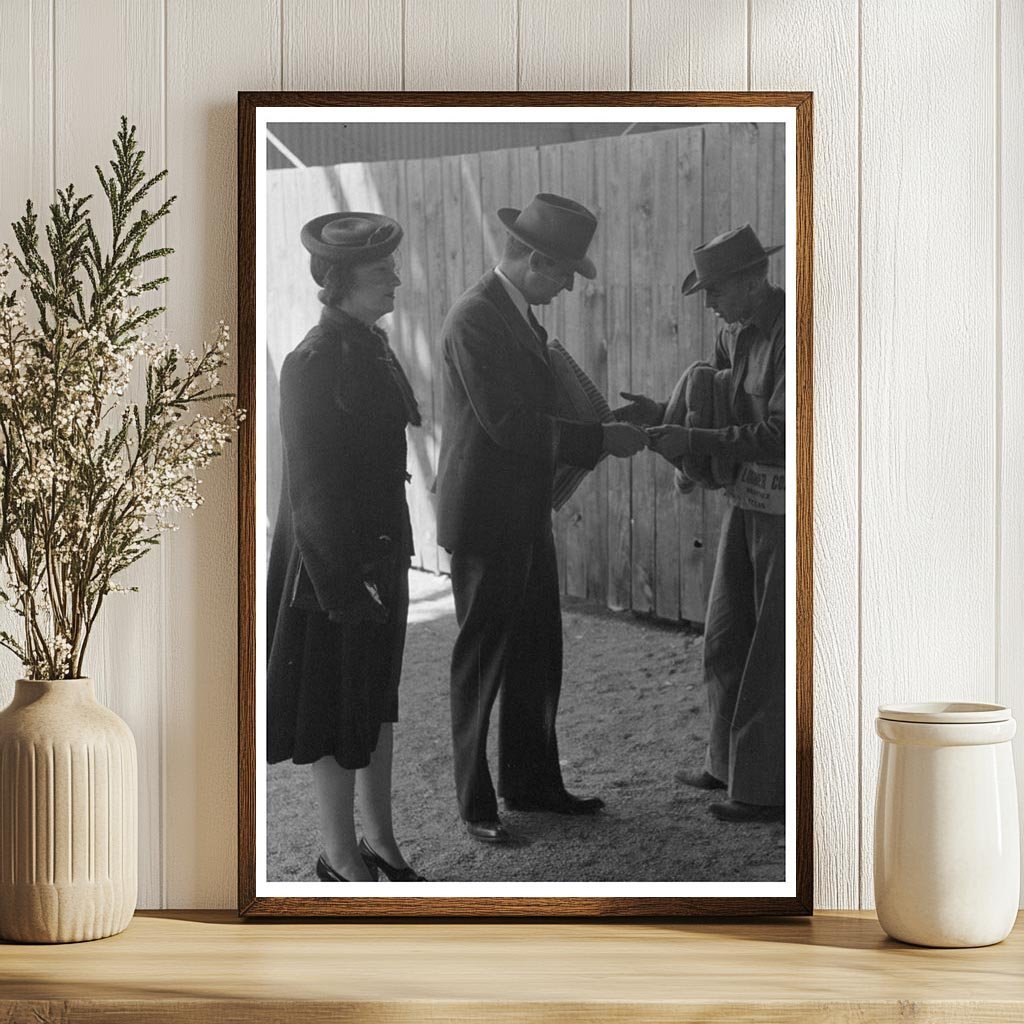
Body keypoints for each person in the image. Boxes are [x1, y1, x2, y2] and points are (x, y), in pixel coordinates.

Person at [434, 193, 650, 844]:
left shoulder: (514, 314)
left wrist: (599, 426)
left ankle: (531, 783)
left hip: (522, 512)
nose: (564, 288)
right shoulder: (476, 318)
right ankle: (476, 808)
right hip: (483, 519)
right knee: (481, 663)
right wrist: (595, 442)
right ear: (532, 260)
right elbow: (508, 425)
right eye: (561, 274)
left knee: (536, 654)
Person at [266, 211, 427, 881]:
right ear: (340, 281)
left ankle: (381, 844)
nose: (394, 278)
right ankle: (338, 855)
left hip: (380, 554)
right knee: (334, 709)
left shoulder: (370, 343)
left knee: (376, 698)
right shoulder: (311, 361)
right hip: (332, 569)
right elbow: (310, 491)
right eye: (380, 270)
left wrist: (388, 560)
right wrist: (344, 585)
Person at [648, 224, 786, 824]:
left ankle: (760, 789)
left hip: (788, 511)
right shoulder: (736, 335)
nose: (709, 303)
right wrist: (662, 416)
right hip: (748, 502)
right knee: (726, 636)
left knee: (770, 651)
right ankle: (725, 762)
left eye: (716, 289)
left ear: (755, 280)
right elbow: (724, 410)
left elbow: (783, 435)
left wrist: (691, 437)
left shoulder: (791, 336)